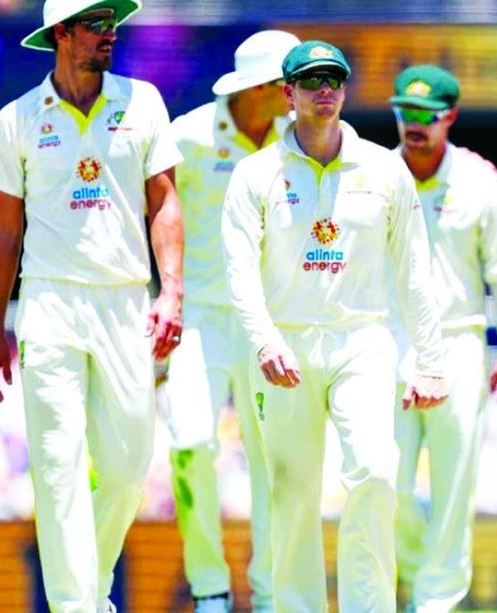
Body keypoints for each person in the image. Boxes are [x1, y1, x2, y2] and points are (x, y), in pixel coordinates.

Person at [221, 41, 447, 612]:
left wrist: (430, 360)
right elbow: (240, 271)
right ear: (287, 93)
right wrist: (266, 340)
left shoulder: (383, 169)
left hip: (362, 342)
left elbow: (415, 270)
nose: (325, 90)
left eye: (334, 80)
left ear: (345, 90)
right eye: (311, 80)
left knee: (374, 473)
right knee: (292, 494)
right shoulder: (254, 174)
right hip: (285, 344)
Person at [0, 0, 184, 610]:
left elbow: (165, 202)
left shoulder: (143, 100)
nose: (109, 33)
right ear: (61, 35)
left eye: (112, 22)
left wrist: (170, 290)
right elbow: (4, 231)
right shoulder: (18, 119)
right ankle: (75, 607)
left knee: (127, 470)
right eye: (96, 23)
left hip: (125, 300)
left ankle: (90, 590)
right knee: (57, 465)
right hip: (48, 304)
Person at [166, 30, 300, 613]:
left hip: (270, 325)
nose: (299, 96)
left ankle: (269, 592)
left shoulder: (301, 141)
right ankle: (210, 589)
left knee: (273, 459)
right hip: (200, 317)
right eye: (289, 85)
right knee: (190, 445)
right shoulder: (188, 136)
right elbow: (155, 218)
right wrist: (164, 297)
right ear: (265, 87)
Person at [387, 65, 497, 610]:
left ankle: (436, 602)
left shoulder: (479, 180)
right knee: (382, 480)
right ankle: (419, 575)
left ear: (450, 117)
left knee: (454, 485)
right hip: (392, 339)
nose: (413, 125)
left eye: (425, 115)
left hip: (461, 338)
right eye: (404, 113)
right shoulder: (375, 172)